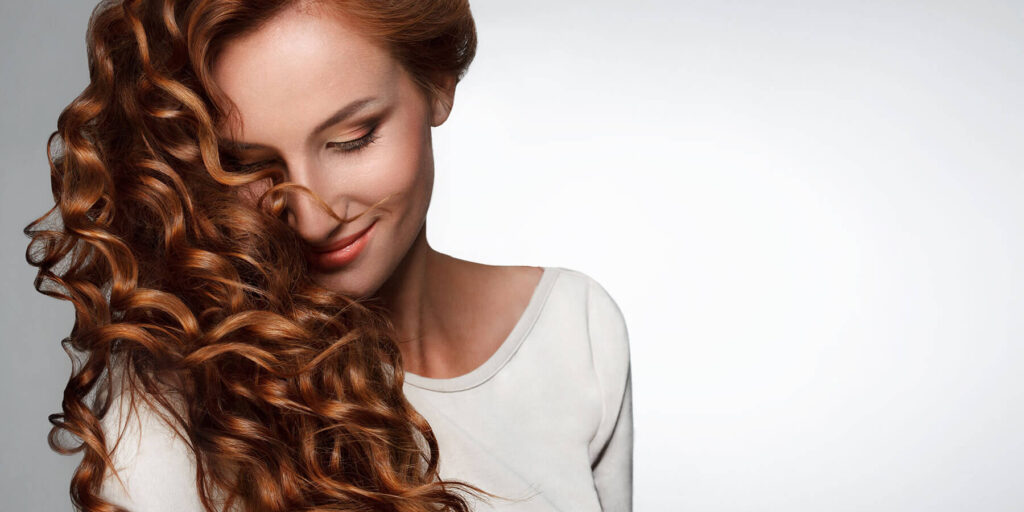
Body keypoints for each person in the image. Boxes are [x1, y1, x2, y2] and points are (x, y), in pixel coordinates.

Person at [24, 0, 633, 510]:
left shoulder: (574, 330)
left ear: (438, 83)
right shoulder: (172, 407)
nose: (313, 218)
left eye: (352, 139)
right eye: (249, 167)